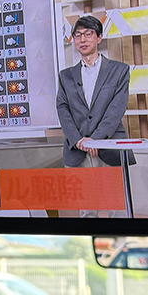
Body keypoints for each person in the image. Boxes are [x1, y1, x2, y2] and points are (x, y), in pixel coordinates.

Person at [57, 15, 135, 218]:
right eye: (78, 35)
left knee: (117, 209)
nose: (82, 39)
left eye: (88, 34)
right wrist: (78, 139)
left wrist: (96, 140)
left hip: (109, 146)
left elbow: (116, 109)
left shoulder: (119, 70)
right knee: (87, 211)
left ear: (99, 37)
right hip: (79, 148)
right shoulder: (66, 76)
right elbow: (63, 109)